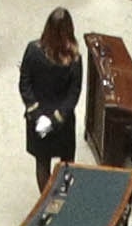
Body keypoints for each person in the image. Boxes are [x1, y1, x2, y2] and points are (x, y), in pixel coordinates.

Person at [19, 9, 88, 187]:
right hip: (63, 120)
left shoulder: (32, 50)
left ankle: (46, 200)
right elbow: (73, 94)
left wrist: (37, 114)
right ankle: (62, 199)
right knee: (66, 164)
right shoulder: (75, 58)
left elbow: (25, 84)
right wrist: (55, 119)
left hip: (40, 118)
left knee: (43, 162)